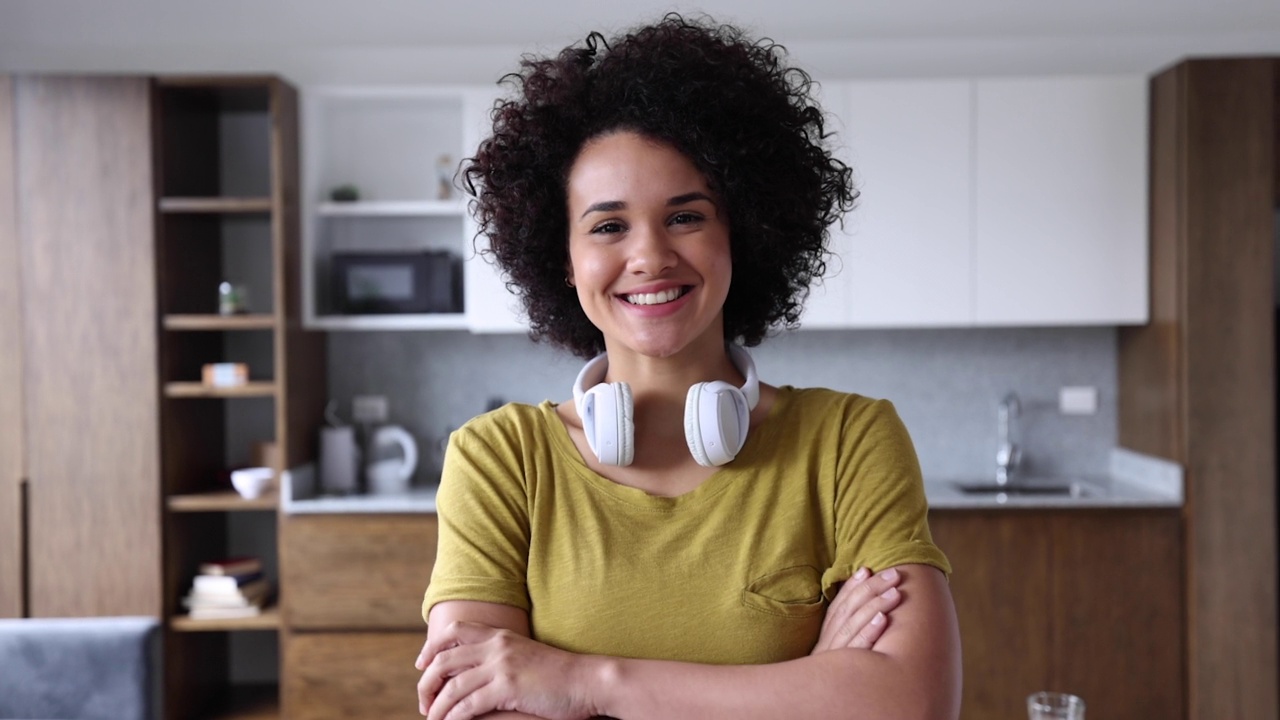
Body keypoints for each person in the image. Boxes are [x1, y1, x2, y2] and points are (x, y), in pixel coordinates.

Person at [415, 14, 961, 720]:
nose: (649, 257)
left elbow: (909, 705)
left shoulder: (850, 440)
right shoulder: (498, 460)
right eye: (608, 225)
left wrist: (583, 683)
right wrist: (815, 682)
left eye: (686, 216)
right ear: (565, 256)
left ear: (743, 230)